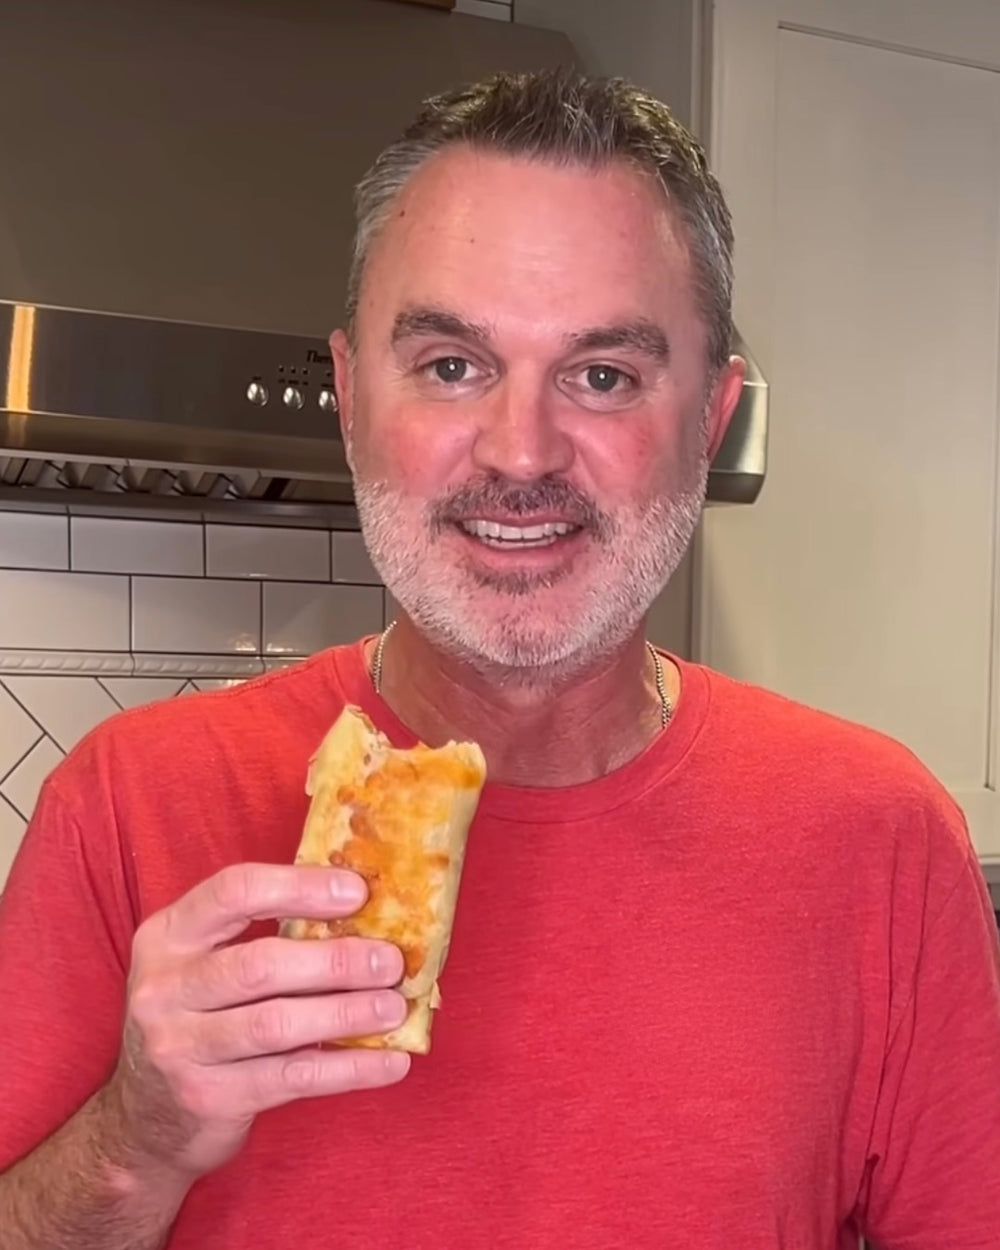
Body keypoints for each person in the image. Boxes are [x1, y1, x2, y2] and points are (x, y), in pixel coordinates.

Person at [0, 68, 998, 1250]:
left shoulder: (880, 840)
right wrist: (139, 1133)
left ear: (710, 417)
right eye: (451, 364)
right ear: (349, 396)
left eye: (603, 375)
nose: (520, 451)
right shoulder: (126, 805)